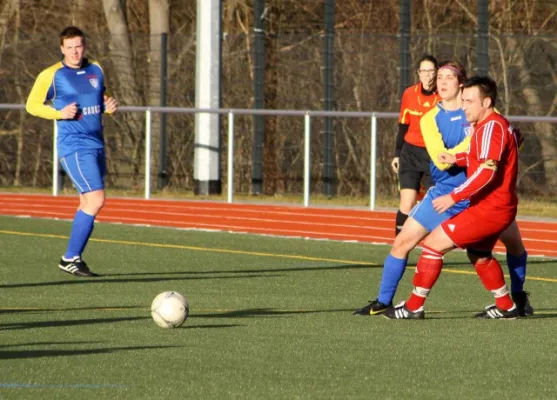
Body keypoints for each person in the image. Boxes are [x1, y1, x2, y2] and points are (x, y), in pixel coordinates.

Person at [354, 62, 532, 317]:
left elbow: (488, 165)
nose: (441, 81)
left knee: (448, 246)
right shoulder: (439, 118)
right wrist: (459, 158)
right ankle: (507, 306)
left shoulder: (489, 122)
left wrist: (457, 191)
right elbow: (448, 157)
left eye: (448, 77)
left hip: (481, 201)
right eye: (438, 77)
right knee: (476, 253)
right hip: (456, 194)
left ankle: (416, 308)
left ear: (463, 85)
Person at [26, 26, 118, 277]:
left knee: (87, 201)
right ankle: (70, 257)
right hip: (74, 145)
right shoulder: (52, 75)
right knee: (97, 199)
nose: (75, 51)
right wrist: (59, 113)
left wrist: (109, 104)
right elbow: (31, 105)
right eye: (70, 47)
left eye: (79, 46)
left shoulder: (95, 68)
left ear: (84, 45)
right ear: (61, 49)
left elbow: (101, 95)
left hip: (97, 142)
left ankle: (72, 259)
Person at [393, 54, 439, 236]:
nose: (428, 75)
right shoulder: (409, 94)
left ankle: (432, 250)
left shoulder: (444, 96)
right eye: (424, 71)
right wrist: (397, 154)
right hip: (410, 153)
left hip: (434, 155)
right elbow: (403, 126)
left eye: (431, 71)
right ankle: (398, 247)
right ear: (419, 73)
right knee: (407, 203)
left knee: (433, 204)